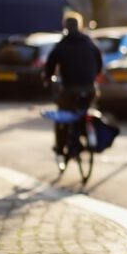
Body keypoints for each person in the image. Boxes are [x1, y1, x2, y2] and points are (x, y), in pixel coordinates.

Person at [44, 12, 103, 156]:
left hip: (70, 90)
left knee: (62, 115)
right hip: (90, 89)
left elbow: (50, 66)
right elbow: (100, 64)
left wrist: (47, 79)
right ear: (80, 26)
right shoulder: (90, 42)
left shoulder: (62, 45)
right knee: (84, 110)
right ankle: (85, 132)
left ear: (65, 27)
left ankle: (60, 148)